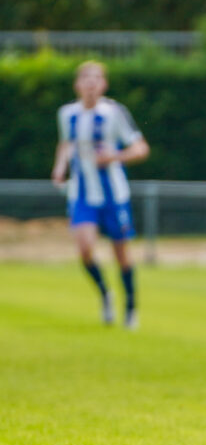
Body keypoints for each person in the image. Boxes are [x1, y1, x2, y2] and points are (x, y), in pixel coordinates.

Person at [51, 60, 150, 329]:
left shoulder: (114, 113)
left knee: (122, 254)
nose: (91, 83)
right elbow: (66, 142)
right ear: (78, 85)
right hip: (82, 193)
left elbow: (141, 148)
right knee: (84, 250)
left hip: (113, 194)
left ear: (103, 84)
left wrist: (114, 156)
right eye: (86, 78)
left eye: (96, 78)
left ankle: (130, 306)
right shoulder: (67, 113)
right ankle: (106, 294)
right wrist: (60, 167)